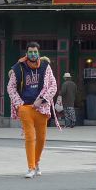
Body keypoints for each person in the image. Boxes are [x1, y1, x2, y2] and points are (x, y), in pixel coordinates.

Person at [8, 41, 57, 178]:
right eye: (30, 52)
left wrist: (41, 99)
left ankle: (36, 163)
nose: (33, 54)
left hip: (41, 107)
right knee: (30, 137)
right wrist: (19, 104)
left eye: (35, 52)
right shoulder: (18, 68)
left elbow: (53, 85)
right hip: (25, 107)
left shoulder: (45, 66)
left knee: (41, 138)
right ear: (26, 53)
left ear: (39, 53)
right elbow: (10, 87)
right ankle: (31, 167)